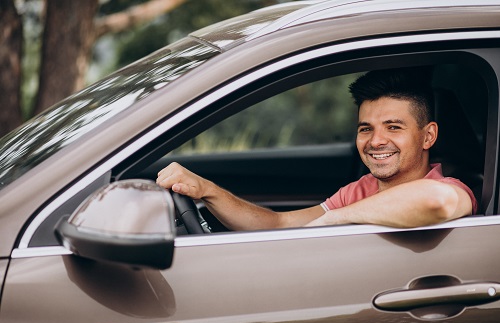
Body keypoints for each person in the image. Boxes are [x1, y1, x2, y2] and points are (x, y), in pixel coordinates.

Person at [157, 68, 477, 230]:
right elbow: (278, 225)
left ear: (428, 136)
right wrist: (208, 190)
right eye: (366, 129)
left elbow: (437, 202)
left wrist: (334, 220)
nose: (376, 141)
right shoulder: (361, 189)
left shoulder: (452, 188)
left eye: (394, 127)